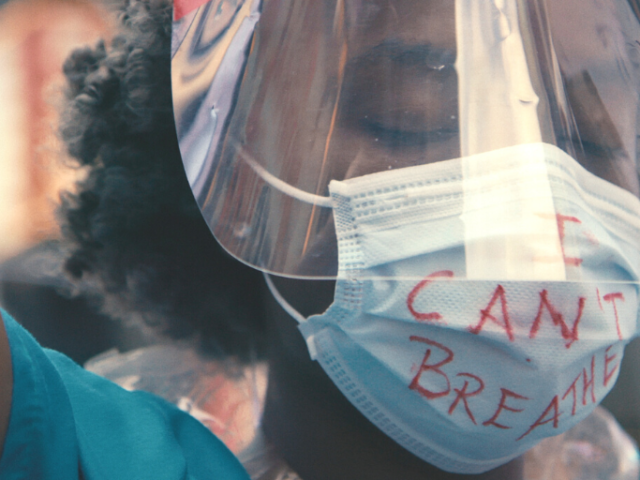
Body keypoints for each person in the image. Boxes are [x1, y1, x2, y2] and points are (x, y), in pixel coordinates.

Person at [0, 0, 638, 479]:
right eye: (410, 117)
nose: (532, 202)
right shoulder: (87, 455)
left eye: (596, 135)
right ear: (229, 164)